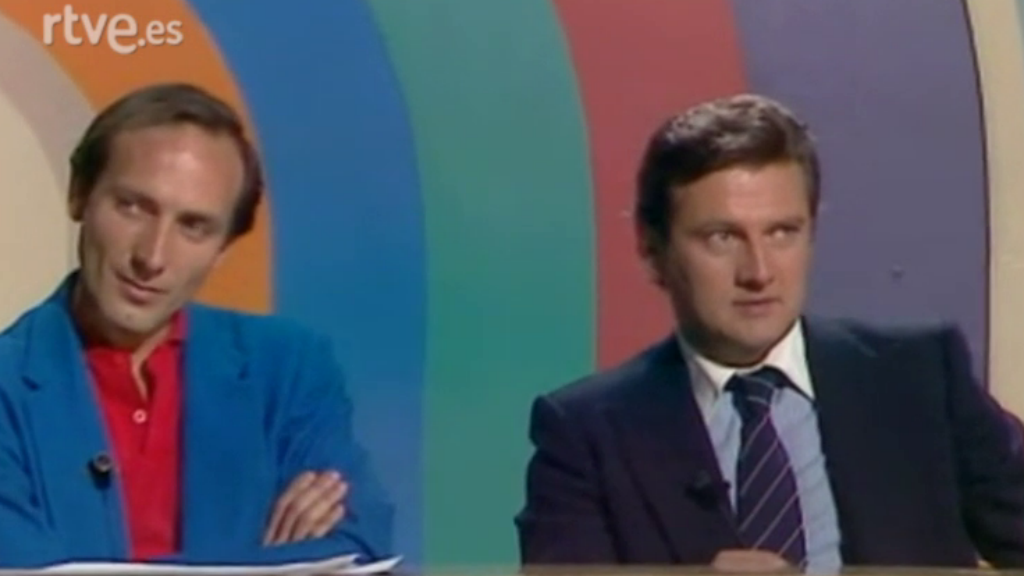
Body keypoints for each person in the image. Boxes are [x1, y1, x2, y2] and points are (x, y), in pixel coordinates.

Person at [515, 93, 1024, 573]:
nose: (759, 272)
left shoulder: (920, 381)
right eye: (722, 237)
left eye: (782, 232)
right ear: (653, 251)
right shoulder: (587, 436)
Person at [0, 83, 393, 567]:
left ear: (223, 247)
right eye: (133, 206)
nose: (152, 256)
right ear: (79, 195)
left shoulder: (288, 370)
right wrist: (265, 564)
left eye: (193, 226)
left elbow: (359, 541)